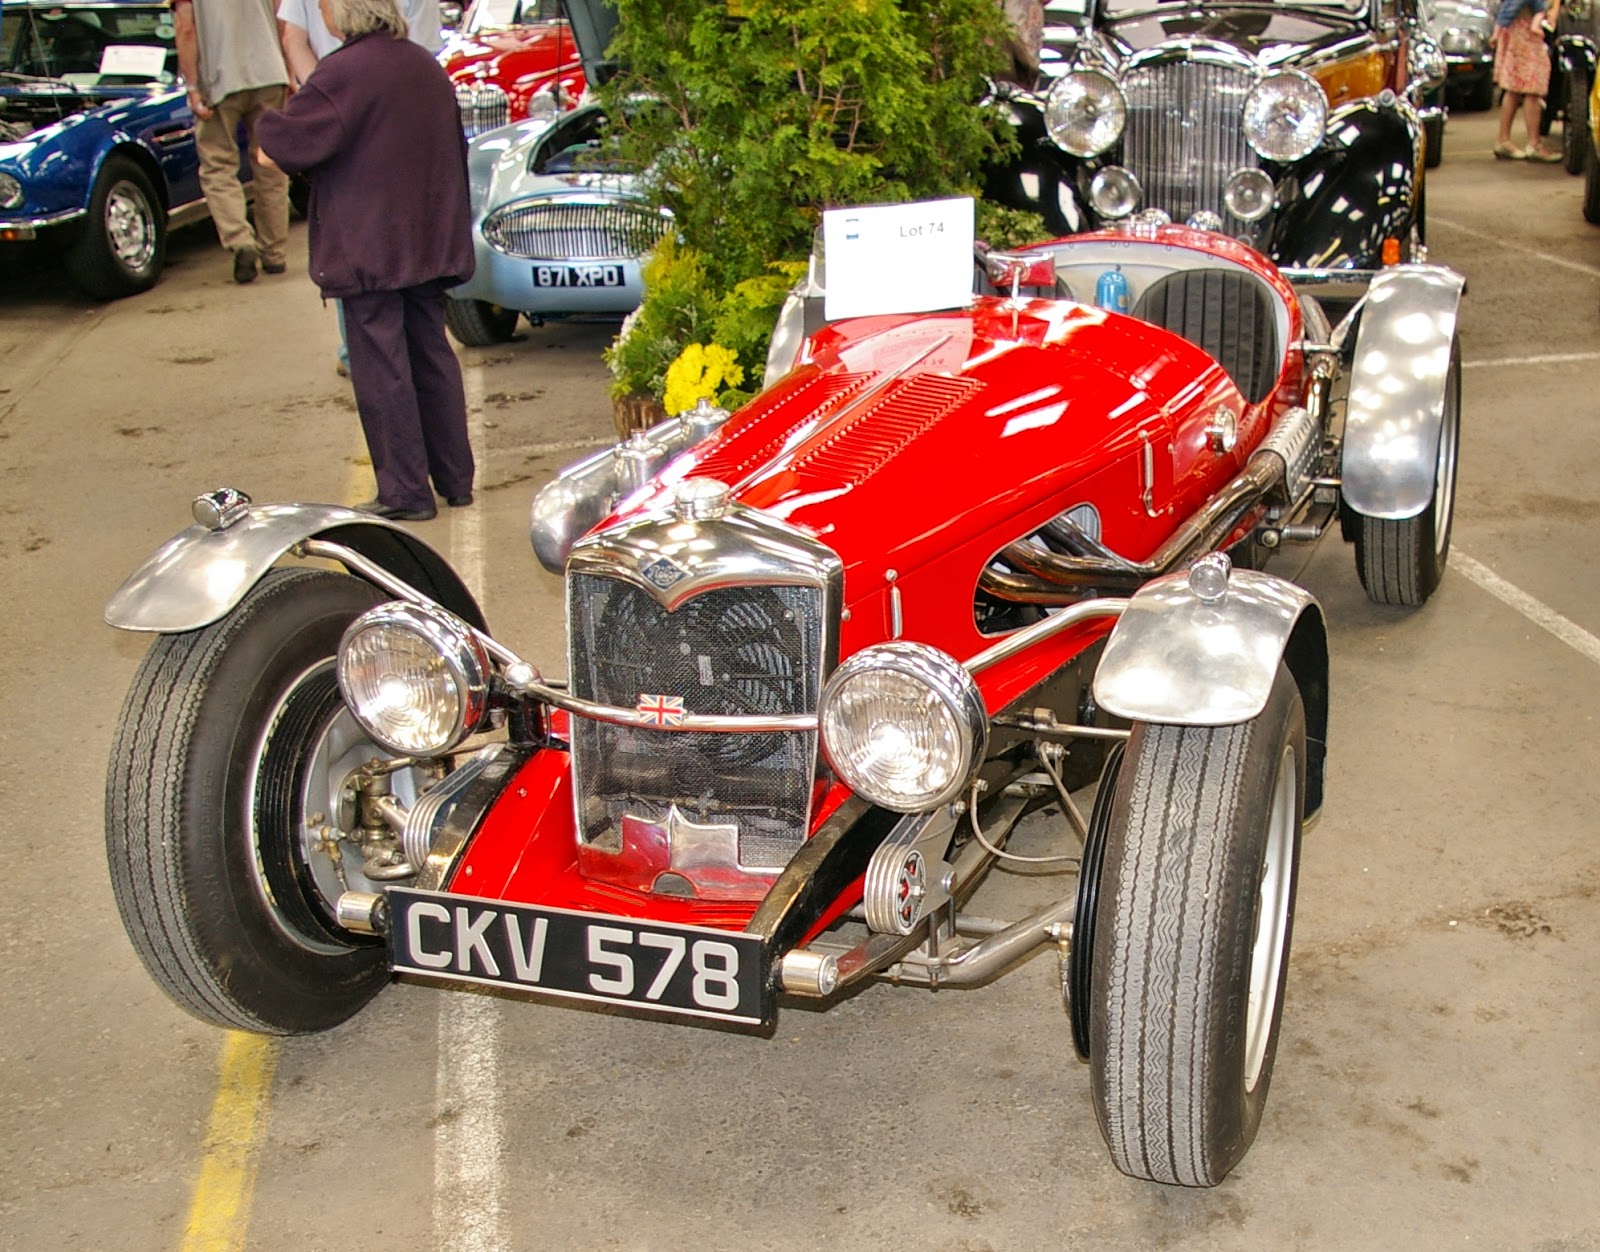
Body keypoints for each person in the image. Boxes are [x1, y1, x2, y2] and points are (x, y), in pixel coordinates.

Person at [256, 0, 476, 522]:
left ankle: (405, 491)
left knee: (383, 369)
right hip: (429, 237)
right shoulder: (424, 65)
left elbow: (284, 145)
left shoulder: (343, 73)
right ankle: (455, 478)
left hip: (370, 244)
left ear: (346, 13)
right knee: (431, 354)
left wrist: (264, 121)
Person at [277, 0, 444, 376]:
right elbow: (428, 44)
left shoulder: (338, 73)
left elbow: (293, 36)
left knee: (360, 242)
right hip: (399, 103)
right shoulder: (405, 62)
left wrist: (323, 90)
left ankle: (364, 354)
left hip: (350, 111)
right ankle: (401, 354)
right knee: (412, 256)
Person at [170, 0, 291, 283]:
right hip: (270, 72)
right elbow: (281, 15)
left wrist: (192, 87)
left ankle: (240, 241)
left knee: (218, 165)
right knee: (269, 163)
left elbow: (186, 28)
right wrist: (288, 68)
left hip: (220, 78)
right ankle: (274, 252)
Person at [1492, 0, 1563, 160]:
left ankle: (1504, 139)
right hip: (1525, 29)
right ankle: (1534, 144)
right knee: (1533, 85)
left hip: (1515, 28)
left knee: (1515, 87)